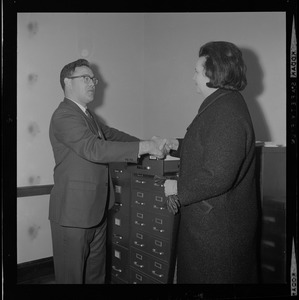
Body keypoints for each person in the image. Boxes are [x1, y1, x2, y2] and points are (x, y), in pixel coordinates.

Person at [49, 58, 169, 284]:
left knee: (96, 277)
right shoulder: (64, 115)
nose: (93, 83)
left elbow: (112, 135)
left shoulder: (88, 116)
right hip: (73, 214)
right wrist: (146, 147)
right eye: (86, 78)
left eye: (93, 78)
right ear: (67, 82)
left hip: (97, 210)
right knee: (71, 280)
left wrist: (147, 143)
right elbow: (93, 149)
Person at [164, 41, 259, 283]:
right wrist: (175, 144)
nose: (192, 76)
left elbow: (218, 175)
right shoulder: (222, 104)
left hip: (216, 234)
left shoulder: (226, 112)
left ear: (213, 73)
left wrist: (178, 190)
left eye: (196, 71)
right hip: (210, 225)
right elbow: (208, 148)